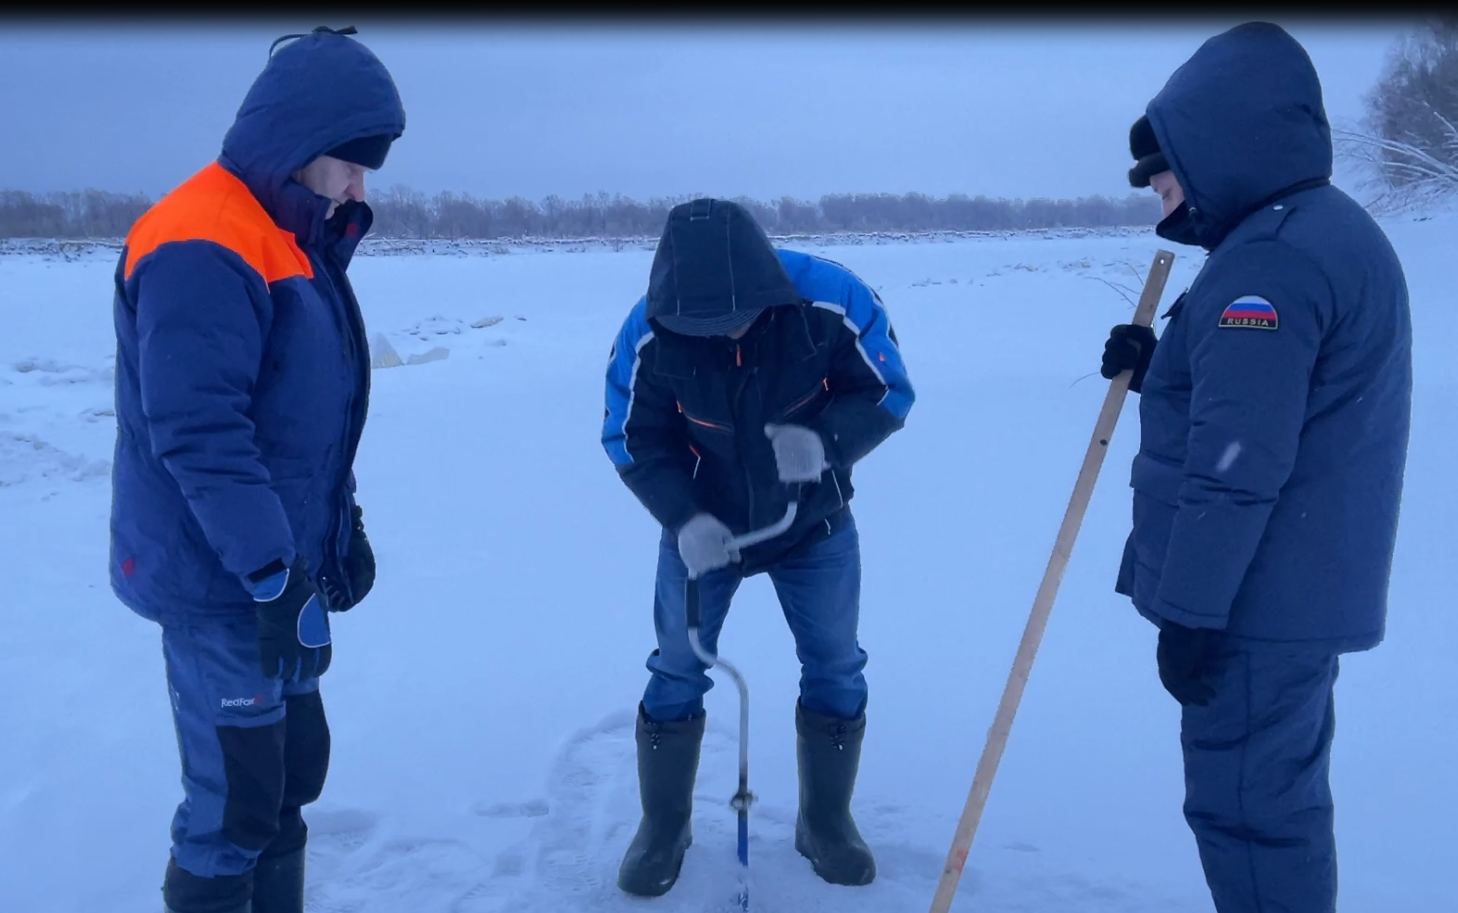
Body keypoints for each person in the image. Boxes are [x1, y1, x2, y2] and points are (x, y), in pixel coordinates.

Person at [1099, 21, 1411, 913]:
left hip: (1253, 605)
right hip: (1294, 588)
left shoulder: (1265, 264)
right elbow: (1276, 408)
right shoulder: (1310, 231)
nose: (1162, 201)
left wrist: (1192, 614)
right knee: (1276, 804)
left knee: (1248, 813)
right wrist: (1166, 365)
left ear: (1217, 150)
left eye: (1165, 177)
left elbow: (1240, 464)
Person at [108, 26, 405, 913]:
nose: (361, 187)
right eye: (350, 165)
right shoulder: (202, 240)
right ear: (299, 145)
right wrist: (276, 573)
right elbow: (201, 434)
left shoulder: (292, 236)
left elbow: (303, 425)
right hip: (223, 581)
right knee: (234, 804)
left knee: (288, 777)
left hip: (281, 571)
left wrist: (334, 536)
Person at [601, 198, 914, 896]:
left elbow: (889, 389)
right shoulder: (647, 331)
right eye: (703, 327)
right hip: (702, 532)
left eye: (737, 318)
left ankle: (825, 822)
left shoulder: (832, 299)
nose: (724, 333)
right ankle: (665, 825)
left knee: (836, 661)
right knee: (678, 665)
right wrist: (683, 518)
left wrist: (828, 443)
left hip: (813, 526)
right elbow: (631, 436)